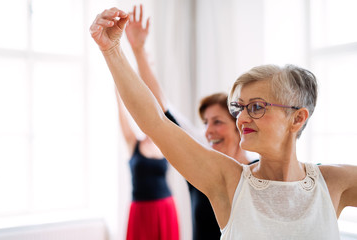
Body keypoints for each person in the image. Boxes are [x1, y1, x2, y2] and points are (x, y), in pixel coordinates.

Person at [90, 8, 357, 239]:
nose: (241, 118)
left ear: (297, 118)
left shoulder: (334, 181)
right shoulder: (227, 180)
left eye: (256, 107)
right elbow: (157, 121)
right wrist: (112, 50)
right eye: (239, 108)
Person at [124, 5, 257, 239]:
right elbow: (161, 106)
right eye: (205, 122)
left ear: (239, 125)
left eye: (217, 122)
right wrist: (138, 50)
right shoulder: (200, 158)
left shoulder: (258, 170)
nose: (208, 131)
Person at [115, 89, 179, 240]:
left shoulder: (163, 145)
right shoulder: (133, 143)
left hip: (165, 207)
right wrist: (117, 90)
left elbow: (166, 111)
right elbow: (122, 117)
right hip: (141, 209)